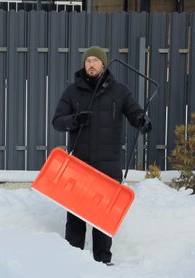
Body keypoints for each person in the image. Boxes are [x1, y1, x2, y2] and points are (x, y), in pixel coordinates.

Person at [51, 46, 152, 265]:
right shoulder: (72, 92)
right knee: (76, 215)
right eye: (88, 61)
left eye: (96, 60)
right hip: (81, 163)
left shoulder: (120, 91)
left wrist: (142, 121)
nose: (91, 65)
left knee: (103, 216)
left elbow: (134, 112)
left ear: (103, 64)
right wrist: (75, 120)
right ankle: (73, 259)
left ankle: (103, 260)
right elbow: (57, 121)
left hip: (109, 163)